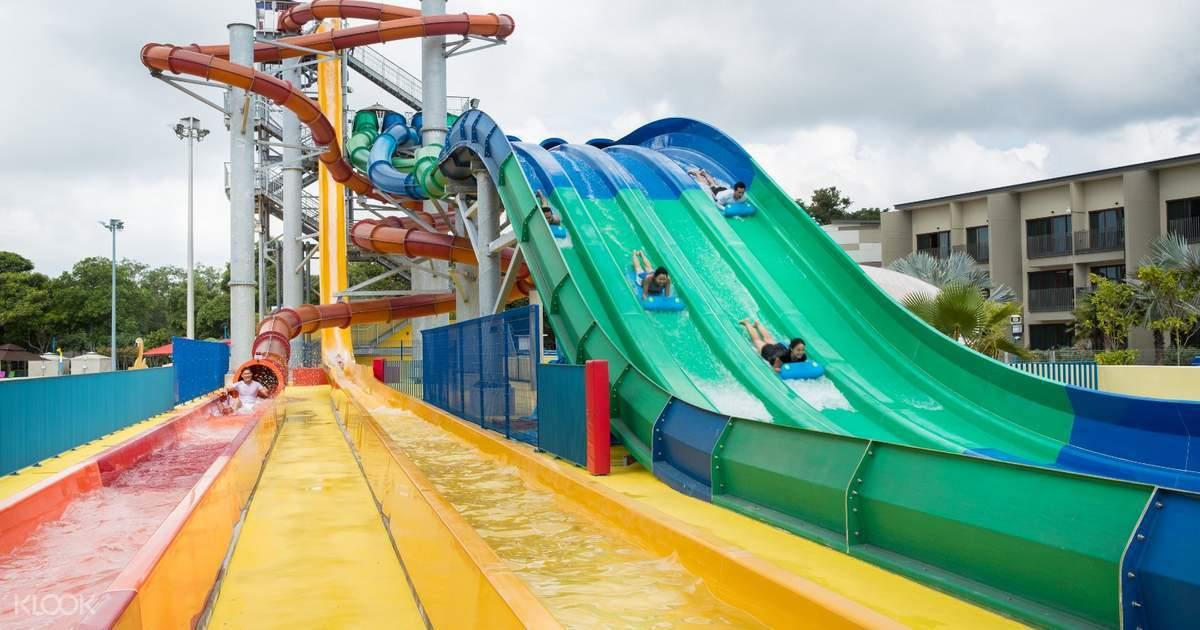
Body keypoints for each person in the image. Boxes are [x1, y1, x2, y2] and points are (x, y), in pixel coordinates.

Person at [738, 319, 807, 372]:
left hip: (781, 348)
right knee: (757, 340)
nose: (801, 352)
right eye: (798, 350)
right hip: (771, 353)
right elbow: (775, 369)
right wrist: (782, 371)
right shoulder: (783, 357)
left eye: (803, 350)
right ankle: (747, 322)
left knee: (768, 338)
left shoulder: (803, 357)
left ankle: (757, 324)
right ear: (791, 349)